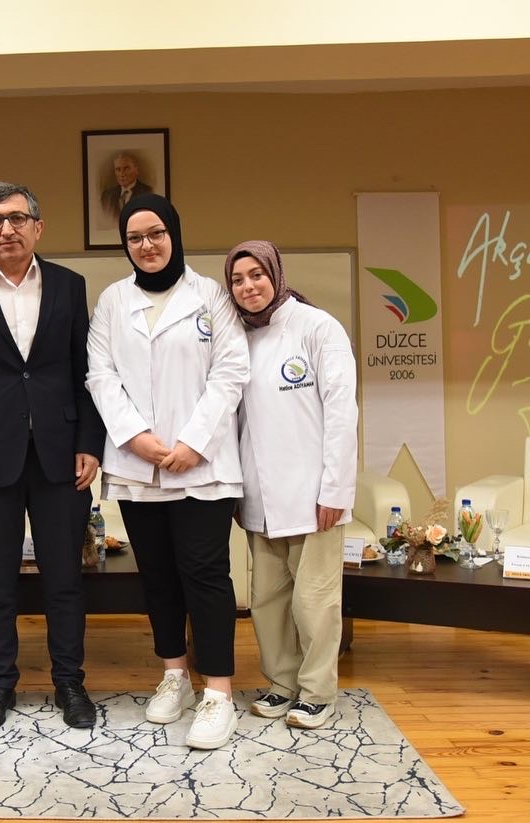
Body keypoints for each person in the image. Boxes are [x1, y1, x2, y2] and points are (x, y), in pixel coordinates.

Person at [0, 182, 105, 731]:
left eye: (17, 218)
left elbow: (88, 372)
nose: (7, 229)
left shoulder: (70, 285)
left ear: (38, 227)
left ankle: (69, 682)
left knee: (64, 579)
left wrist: (90, 442)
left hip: (62, 456)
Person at [85, 194, 248, 749]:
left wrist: (193, 443)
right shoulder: (113, 300)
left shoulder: (211, 296)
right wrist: (137, 438)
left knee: (205, 574)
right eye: (135, 238)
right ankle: (174, 674)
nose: (146, 245)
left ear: (174, 233)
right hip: (138, 466)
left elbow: (231, 371)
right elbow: (100, 375)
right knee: (156, 575)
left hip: (204, 467)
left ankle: (218, 693)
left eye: (155, 233)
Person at [224, 240, 358, 730]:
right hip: (259, 496)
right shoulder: (237, 337)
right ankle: (282, 683)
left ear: (275, 274)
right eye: (237, 280)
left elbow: (342, 413)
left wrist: (335, 490)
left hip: (312, 495)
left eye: (256, 275)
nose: (248, 287)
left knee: (314, 601)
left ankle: (317, 691)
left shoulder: (318, 327)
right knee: (268, 600)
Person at [99, 152, 153, 221]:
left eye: (126, 168)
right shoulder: (107, 196)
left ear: (136, 170)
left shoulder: (148, 193)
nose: (122, 174)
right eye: (118, 169)